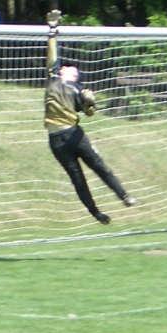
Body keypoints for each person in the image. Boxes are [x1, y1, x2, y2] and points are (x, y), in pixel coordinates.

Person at [44, 13, 135, 224]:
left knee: (98, 165)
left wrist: (90, 103)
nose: (67, 68)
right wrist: (52, 29)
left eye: (72, 69)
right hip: (56, 140)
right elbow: (52, 54)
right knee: (77, 178)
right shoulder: (53, 79)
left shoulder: (78, 90)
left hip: (74, 134)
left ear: (75, 76)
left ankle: (124, 196)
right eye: (66, 67)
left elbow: (89, 113)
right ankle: (96, 213)